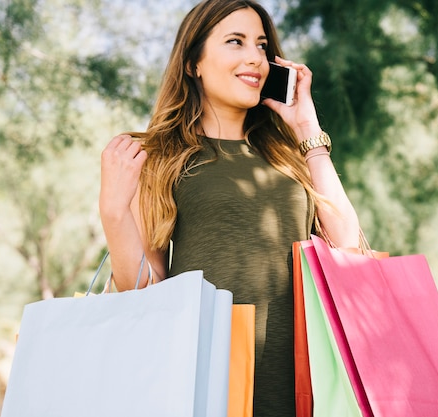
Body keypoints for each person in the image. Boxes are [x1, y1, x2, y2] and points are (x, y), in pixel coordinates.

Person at [99, 0, 361, 415]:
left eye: (261, 45)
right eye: (235, 42)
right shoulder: (159, 156)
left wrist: (308, 131)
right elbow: (144, 292)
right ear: (193, 64)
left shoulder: (288, 154)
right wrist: (114, 213)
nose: (254, 57)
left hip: (301, 385)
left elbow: (348, 247)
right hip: (205, 384)